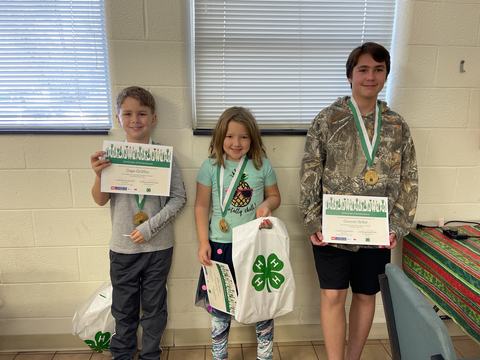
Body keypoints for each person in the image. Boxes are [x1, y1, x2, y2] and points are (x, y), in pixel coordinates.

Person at [299, 42, 418, 360]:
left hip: (376, 232)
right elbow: (310, 170)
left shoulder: (396, 126)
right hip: (332, 229)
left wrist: (397, 226)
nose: (370, 76)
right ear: (350, 74)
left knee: (366, 296)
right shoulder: (328, 119)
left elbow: (409, 179)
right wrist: (313, 220)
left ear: (386, 75)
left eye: (378, 69)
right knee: (333, 294)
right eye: (363, 69)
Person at [90, 86, 187, 360]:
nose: (135, 120)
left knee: (155, 308)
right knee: (123, 308)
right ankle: (122, 355)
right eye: (128, 113)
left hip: (158, 247)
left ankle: (151, 355)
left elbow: (179, 198)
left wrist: (149, 227)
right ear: (118, 117)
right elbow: (100, 200)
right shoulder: (109, 158)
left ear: (154, 118)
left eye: (142, 113)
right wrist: (98, 176)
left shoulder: (166, 158)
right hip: (122, 249)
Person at [194, 106, 281, 360]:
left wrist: (267, 204)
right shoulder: (210, 166)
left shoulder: (261, 165)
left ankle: (265, 356)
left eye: (243, 136)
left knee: (261, 303)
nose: (236, 142)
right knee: (220, 307)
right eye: (230, 136)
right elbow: (201, 206)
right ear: (220, 137)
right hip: (219, 247)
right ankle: (219, 356)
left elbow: (275, 196)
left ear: (252, 139)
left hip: (254, 246)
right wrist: (202, 242)